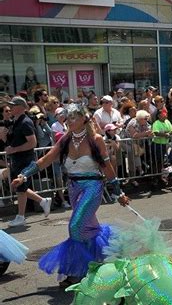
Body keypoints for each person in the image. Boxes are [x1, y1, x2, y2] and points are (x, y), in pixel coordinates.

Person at [11, 104, 128, 286]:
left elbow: (107, 168)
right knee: (87, 227)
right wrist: (24, 174)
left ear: (84, 119)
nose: (69, 121)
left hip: (92, 186)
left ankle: (79, 271)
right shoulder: (66, 140)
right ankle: (98, 262)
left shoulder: (95, 140)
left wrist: (118, 192)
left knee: (75, 226)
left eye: (73, 117)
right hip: (73, 188)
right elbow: (45, 159)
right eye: (68, 117)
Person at [4, 96, 51, 227]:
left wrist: (14, 149)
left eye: (13, 105)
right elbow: (7, 140)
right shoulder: (15, 122)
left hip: (25, 159)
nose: (10, 108)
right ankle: (43, 201)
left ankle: (21, 217)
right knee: (20, 187)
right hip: (17, 159)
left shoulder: (25, 122)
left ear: (21, 107)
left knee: (20, 188)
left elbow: (32, 142)